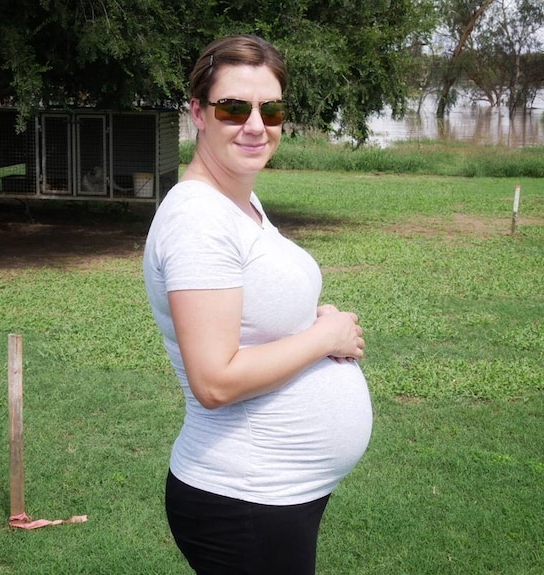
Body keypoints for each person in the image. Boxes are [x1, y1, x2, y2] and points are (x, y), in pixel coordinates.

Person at [142, 34, 373, 574]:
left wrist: (308, 320)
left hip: (273, 493)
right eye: (233, 108)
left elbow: (249, 319)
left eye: (271, 110)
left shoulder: (239, 202)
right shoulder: (199, 220)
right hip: (244, 497)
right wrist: (325, 337)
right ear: (198, 113)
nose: (255, 125)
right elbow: (215, 380)